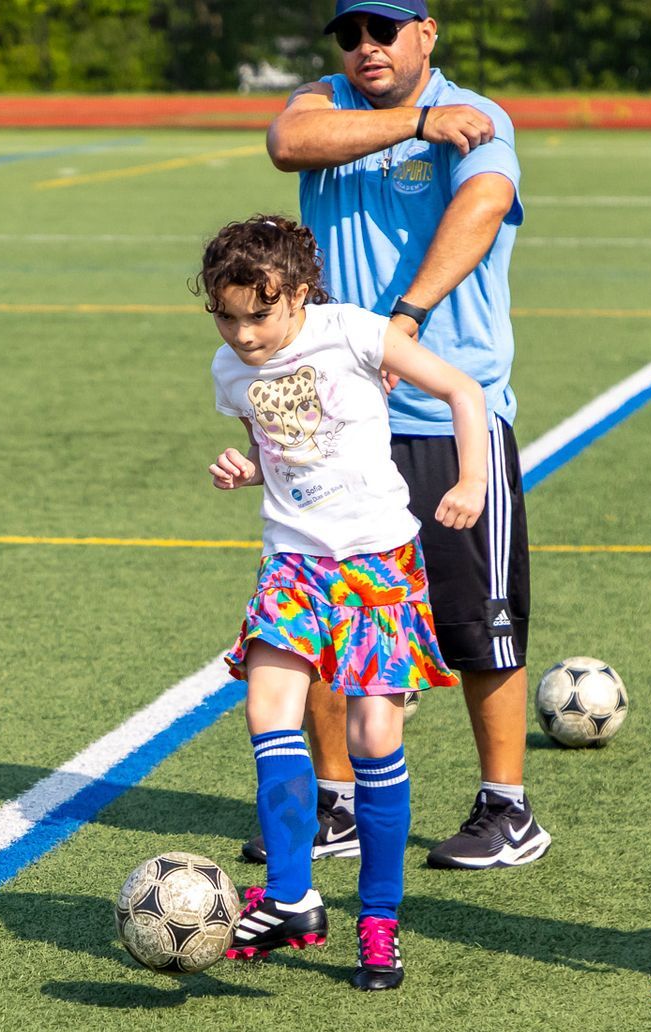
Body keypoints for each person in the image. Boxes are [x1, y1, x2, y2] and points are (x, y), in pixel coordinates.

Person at [260, 0, 548, 872]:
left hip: (443, 411)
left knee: (477, 621)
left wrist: (408, 317)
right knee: (318, 610)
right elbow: (286, 143)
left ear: (428, 31)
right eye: (351, 34)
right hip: (336, 422)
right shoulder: (331, 106)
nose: (366, 48)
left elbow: (486, 203)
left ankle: (508, 808)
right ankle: (336, 802)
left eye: (384, 31)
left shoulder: (480, 116)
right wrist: (418, 122)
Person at [199, 215, 489, 991]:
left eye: (258, 314)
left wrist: (470, 482)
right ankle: (293, 898)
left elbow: (462, 391)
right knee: (268, 711)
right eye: (226, 316)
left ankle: (380, 920)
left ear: (297, 294)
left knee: (370, 734)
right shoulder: (229, 373)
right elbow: (287, 450)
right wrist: (246, 469)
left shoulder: (354, 332)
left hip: (376, 567)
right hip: (293, 563)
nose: (243, 333)